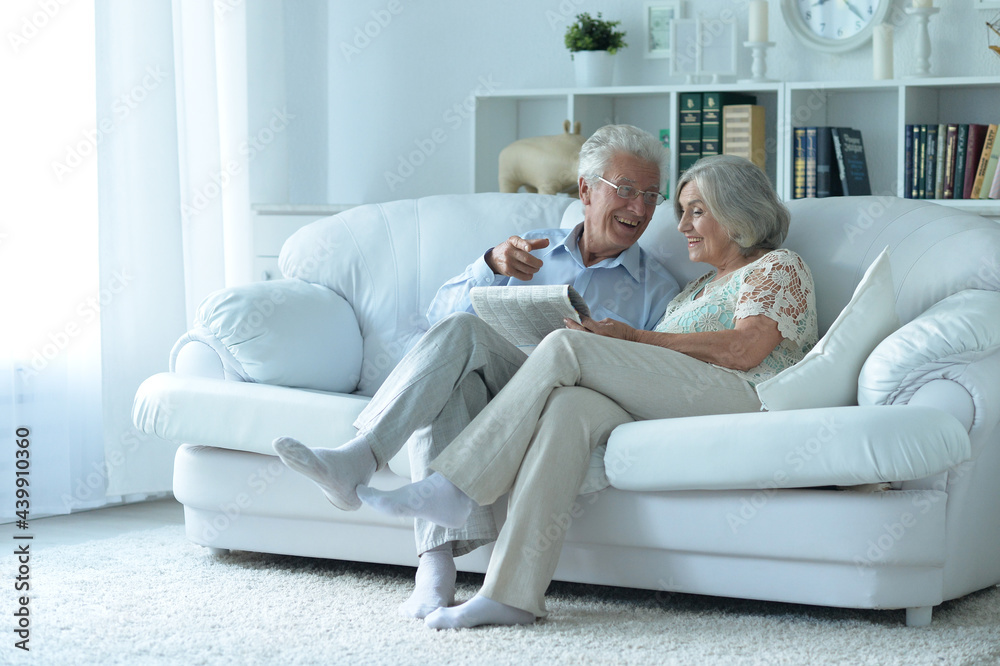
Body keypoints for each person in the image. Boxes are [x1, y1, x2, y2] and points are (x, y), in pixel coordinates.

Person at [356, 153, 819, 629]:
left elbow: (746, 348)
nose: (681, 225)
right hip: (681, 396)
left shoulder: (778, 266)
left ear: (737, 210)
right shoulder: (695, 288)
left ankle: (455, 485)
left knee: (567, 346)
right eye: (681, 211)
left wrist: (632, 338)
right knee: (568, 407)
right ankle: (510, 594)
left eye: (695, 211)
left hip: (741, 396)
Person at [272, 124, 680, 619]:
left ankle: (361, 460)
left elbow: (651, 379)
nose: (639, 208)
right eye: (627, 190)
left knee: (467, 338)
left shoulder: (657, 288)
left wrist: (610, 346)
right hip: (493, 390)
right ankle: (436, 568)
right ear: (586, 190)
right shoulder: (531, 250)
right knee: (456, 363)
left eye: (651, 195)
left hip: (564, 407)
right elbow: (436, 321)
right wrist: (489, 265)